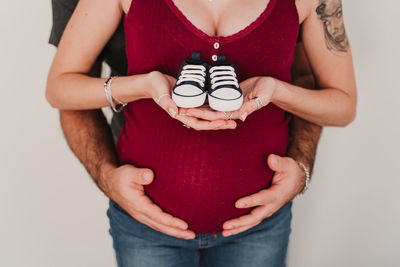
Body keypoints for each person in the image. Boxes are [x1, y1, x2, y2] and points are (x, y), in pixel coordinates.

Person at [46, 0, 355, 266]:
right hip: (146, 227)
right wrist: (142, 85)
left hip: (258, 226)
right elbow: (60, 89)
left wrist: (276, 92)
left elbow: (342, 105)